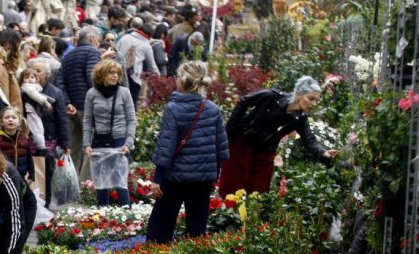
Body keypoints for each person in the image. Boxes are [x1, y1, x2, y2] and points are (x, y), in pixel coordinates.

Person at [145, 61, 229, 243]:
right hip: (202, 180)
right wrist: (213, 177)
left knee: (160, 228)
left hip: (175, 177)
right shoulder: (213, 109)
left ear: (182, 81)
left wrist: (157, 179)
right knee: (197, 230)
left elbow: (166, 146)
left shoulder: (173, 109)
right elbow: (221, 148)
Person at [219, 76, 338, 196]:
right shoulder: (272, 97)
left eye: (317, 100)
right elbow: (243, 101)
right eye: (311, 98)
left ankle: (251, 214)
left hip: (264, 154)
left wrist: (324, 153)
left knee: (259, 195)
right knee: (231, 189)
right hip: (241, 145)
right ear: (298, 94)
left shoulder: (300, 118)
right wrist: (228, 135)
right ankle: (227, 213)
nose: (314, 104)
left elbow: (309, 140)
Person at [83, 60, 137, 206]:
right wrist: (87, 144)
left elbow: (132, 119)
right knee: (101, 181)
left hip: (119, 140)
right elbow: (88, 120)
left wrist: (129, 142)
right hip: (99, 141)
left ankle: (126, 216)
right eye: (111, 73)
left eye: (117, 73)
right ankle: (103, 216)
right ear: (101, 75)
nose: (115, 76)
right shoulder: (92, 94)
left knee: (120, 180)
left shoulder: (124, 93)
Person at [25, 59, 71, 207]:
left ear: (47, 74)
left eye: (39, 71)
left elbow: (62, 120)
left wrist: (65, 143)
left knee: (47, 172)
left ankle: (45, 204)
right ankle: (33, 204)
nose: (35, 74)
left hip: (48, 139)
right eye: (32, 71)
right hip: (29, 139)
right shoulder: (24, 91)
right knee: (31, 172)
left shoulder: (55, 92)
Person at [59, 27, 102, 173]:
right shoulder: (92, 52)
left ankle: (74, 185)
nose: (99, 43)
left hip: (73, 108)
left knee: (75, 148)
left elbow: (60, 82)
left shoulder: (68, 56)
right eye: (98, 39)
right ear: (91, 39)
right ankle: (87, 186)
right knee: (90, 147)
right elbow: (93, 78)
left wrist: (67, 102)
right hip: (88, 106)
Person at [116, 17, 158, 105]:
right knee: (131, 103)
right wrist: (159, 76)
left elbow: (115, 52)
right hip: (133, 77)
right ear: (149, 35)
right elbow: (152, 66)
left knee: (118, 101)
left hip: (117, 74)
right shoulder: (146, 45)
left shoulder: (125, 37)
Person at [0, 105, 33, 181]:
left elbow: (29, 158)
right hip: (4, 179)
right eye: (7, 117)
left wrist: (31, 177)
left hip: (21, 178)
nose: (10, 119)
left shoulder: (24, 138)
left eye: (14, 117)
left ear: (19, 122)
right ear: (1, 122)